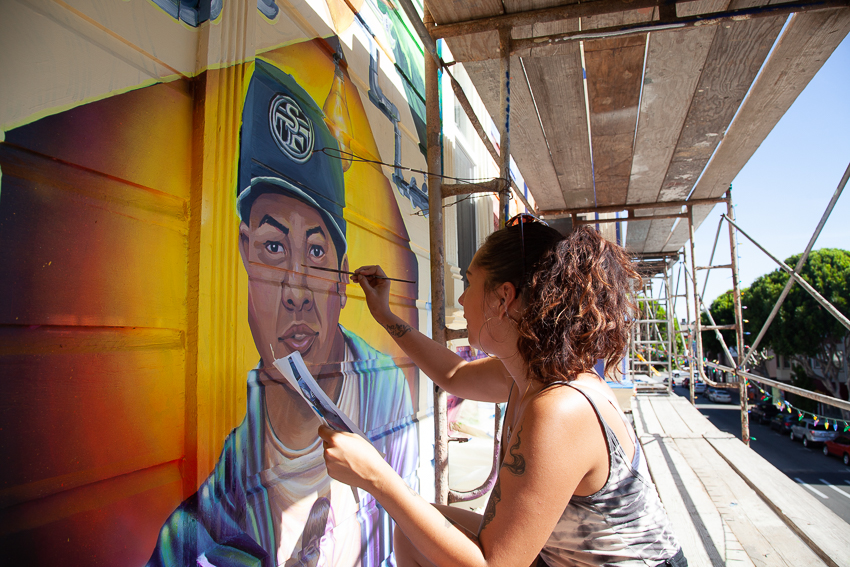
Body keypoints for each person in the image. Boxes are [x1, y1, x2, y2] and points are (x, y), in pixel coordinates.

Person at [147, 59, 417, 567]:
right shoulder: (203, 521)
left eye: (316, 252)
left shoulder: (386, 397)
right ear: (244, 253)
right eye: (273, 247)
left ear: (342, 277)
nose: (295, 290)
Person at [319, 220, 686, 567]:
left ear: (502, 298)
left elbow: (492, 563)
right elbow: (454, 374)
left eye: (469, 283)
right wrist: (385, 315)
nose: (461, 298)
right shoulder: (531, 371)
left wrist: (376, 477)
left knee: (420, 529)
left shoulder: (559, 409)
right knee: (415, 534)